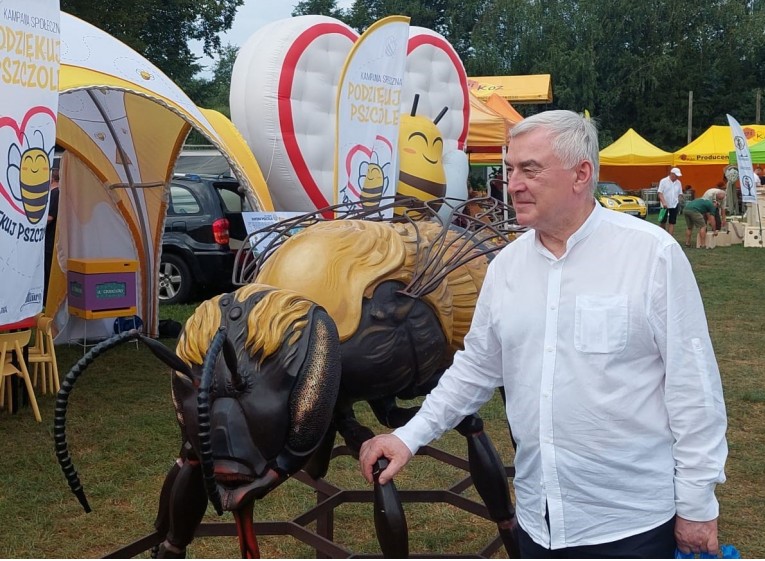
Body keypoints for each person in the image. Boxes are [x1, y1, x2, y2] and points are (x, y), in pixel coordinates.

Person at [359, 110, 727, 558]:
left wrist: (696, 503)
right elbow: (474, 369)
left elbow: (694, 389)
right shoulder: (506, 267)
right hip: (539, 521)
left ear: (581, 174)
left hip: (630, 524)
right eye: (510, 168)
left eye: (530, 169)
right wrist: (408, 435)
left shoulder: (651, 255)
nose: (512, 183)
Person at [44, 167, 60, 300]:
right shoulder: (54, 193)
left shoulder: (56, 193)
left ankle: (47, 299)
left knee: (48, 269)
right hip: (49, 238)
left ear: (52, 178)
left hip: (50, 238)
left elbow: (51, 216)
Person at [657, 166, 683, 235]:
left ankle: (670, 237)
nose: (677, 177)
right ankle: (662, 235)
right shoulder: (663, 181)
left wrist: (678, 201)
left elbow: (680, 193)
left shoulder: (678, 182)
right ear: (672, 174)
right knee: (663, 221)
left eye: (678, 176)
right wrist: (664, 202)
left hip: (674, 205)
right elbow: (660, 193)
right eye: (676, 175)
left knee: (672, 222)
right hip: (664, 205)